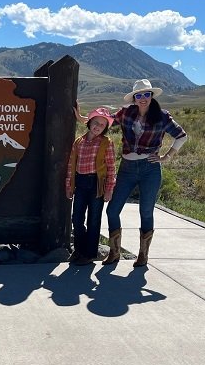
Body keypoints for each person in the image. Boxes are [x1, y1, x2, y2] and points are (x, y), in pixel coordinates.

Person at [76, 79, 188, 267]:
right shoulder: (126, 113)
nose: (142, 98)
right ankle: (114, 251)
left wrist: (166, 157)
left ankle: (143, 255)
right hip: (127, 168)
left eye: (146, 94)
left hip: (150, 168)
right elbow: (106, 122)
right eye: (139, 95)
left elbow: (181, 136)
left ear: (151, 96)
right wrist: (83, 118)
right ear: (134, 98)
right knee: (112, 209)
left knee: (146, 210)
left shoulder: (162, 116)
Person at [66, 107, 116, 265]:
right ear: (89, 123)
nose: (98, 127)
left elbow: (111, 167)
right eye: (96, 123)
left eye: (102, 125)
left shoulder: (106, 143)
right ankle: (79, 249)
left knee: (94, 219)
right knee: (77, 218)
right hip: (80, 183)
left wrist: (109, 189)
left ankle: (89, 254)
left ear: (105, 128)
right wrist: (69, 185)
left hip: (97, 183)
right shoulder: (79, 142)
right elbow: (71, 165)